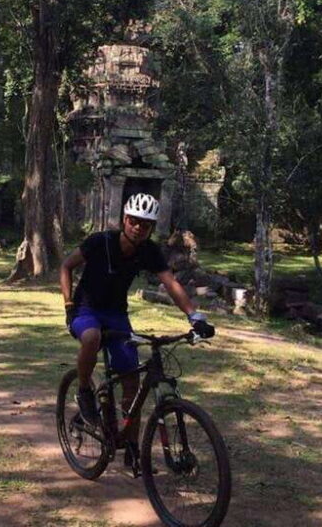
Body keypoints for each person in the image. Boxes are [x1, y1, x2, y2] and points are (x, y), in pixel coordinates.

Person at [59, 192, 214, 464]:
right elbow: (66, 266)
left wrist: (194, 315)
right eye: (134, 221)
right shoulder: (100, 242)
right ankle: (84, 389)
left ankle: (131, 446)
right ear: (124, 219)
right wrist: (69, 303)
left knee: (133, 382)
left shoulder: (148, 251)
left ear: (151, 227)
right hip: (86, 310)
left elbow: (171, 283)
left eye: (146, 224)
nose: (139, 227)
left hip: (117, 315)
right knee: (92, 337)